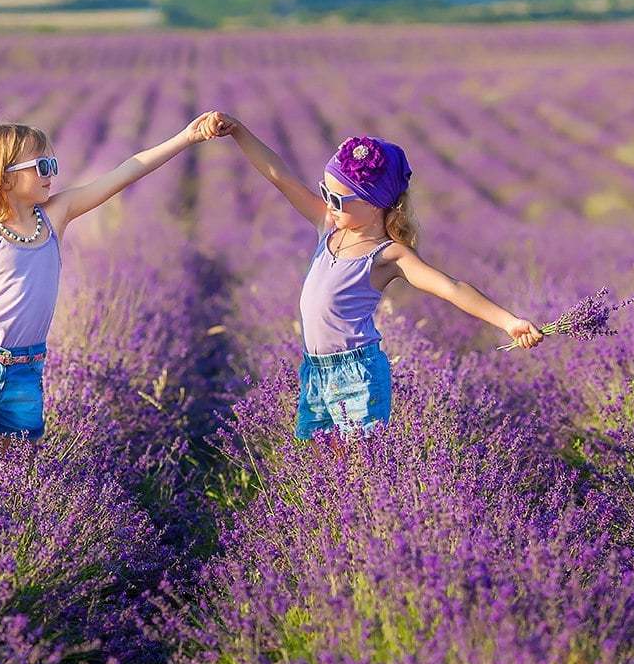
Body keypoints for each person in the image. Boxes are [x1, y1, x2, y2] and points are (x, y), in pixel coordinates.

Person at [211, 114, 544, 440]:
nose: (328, 203)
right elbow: (279, 176)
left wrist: (508, 321)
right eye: (325, 193)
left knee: (361, 469)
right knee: (325, 467)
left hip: (358, 375)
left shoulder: (388, 255)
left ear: (374, 204)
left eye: (338, 199)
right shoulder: (328, 226)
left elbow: (452, 288)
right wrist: (239, 131)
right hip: (316, 369)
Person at [0, 114, 223, 449]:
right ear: (3, 177)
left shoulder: (54, 215)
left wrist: (185, 137)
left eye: (53, 163)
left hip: (26, 366)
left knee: (18, 466)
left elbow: (125, 171)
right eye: (41, 166)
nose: (52, 174)